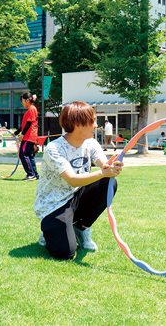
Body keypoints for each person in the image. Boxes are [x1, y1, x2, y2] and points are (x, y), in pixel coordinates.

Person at [34, 101, 124, 260]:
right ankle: (48, 232)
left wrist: (111, 167)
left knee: (109, 182)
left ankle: (82, 228)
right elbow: (72, 180)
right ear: (77, 123)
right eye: (92, 121)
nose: (96, 125)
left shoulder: (91, 143)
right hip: (54, 206)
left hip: (77, 197)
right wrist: (103, 172)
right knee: (65, 253)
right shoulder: (54, 148)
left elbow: (105, 166)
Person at [15, 92, 39, 181]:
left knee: (23, 154)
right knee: (29, 155)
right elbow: (25, 124)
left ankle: (31, 174)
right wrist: (17, 132)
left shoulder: (32, 109)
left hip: (29, 136)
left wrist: (22, 134)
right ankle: (35, 174)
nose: (22, 103)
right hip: (29, 136)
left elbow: (29, 123)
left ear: (27, 100)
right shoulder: (30, 110)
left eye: (22, 101)